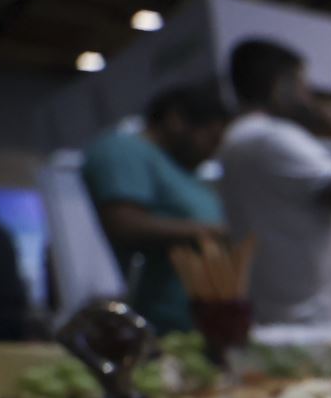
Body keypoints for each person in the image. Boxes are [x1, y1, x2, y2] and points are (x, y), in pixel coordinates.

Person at [217, 38, 331, 341]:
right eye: (304, 85)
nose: (310, 97)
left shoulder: (235, 141)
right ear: (283, 85)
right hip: (328, 327)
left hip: (288, 320)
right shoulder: (273, 137)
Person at [79, 82, 229, 333]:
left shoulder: (182, 170)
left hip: (199, 320)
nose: (212, 153)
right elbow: (125, 224)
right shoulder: (124, 149)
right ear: (176, 120)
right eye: (211, 139)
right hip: (159, 323)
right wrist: (213, 232)